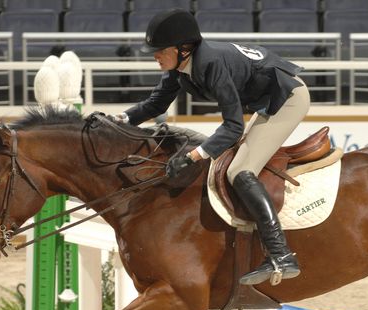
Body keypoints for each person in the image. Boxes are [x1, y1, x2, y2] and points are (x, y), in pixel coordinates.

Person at [111, 9, 310, 286]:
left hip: (286, 99)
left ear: (183, 49)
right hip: (266, 101)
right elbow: (155, 105)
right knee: (230, 162)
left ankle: (281, 254)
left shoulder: (211, 64)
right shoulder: (180, 68)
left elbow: (232, 127)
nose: (154, 55)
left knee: (239, 170)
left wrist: (194, 156)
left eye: (159, 51)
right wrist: (118, 119)